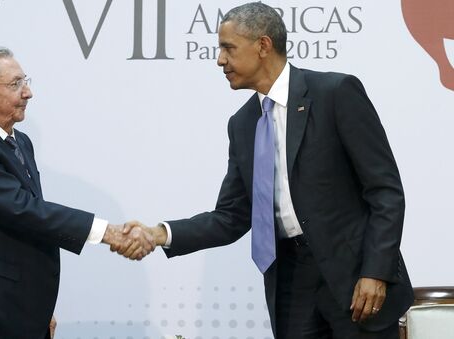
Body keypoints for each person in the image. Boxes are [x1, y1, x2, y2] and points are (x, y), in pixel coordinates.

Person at [117, 3, 413, 338]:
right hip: (290, 284)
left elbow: (385, 191)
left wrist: (376, 272)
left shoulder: (335, 93)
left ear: (262, 46)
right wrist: (159, 234)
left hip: (355, 279)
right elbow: (231, 217)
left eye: (228, 48)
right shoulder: (243, 124)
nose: (219, 60)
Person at [0, 45, 152, 339]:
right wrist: (107, 233)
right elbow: (22, 209)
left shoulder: (20, 142)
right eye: (16, 84)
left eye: (26, 81)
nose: (28, 92)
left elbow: (28, 225)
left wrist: (36, 309)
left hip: (12, 311)